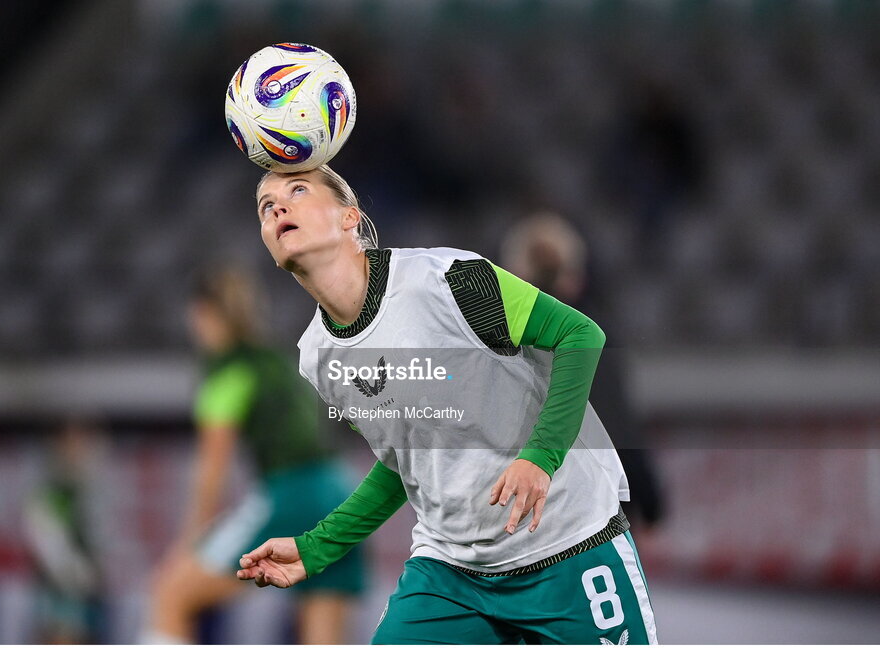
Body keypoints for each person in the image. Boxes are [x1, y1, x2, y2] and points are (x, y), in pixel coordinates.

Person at [236, 165, 658, 644]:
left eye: (296, 190)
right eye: (265, 206)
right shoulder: (316, 357)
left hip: (569, 546)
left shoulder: (448, 281)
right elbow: (406, 462)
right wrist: (316, 548)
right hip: (453, 574)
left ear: (350, 217)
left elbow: (581, 335)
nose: (277, 209)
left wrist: (540, 457)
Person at [142, 268, 364, 645]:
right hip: (340, 496)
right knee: (322, 635)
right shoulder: (277, 362)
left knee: (170, 594)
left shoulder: (228, 374)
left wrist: (189, 542)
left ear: (205, 315)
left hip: (290, 496)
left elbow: (212, 470)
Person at [501, 213, 665, 528]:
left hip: (518, 512)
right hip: (589, 516)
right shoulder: (591, 337)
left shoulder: (491, 340)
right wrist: (648, 498)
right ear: (574, 278)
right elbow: (615, 423)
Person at [23, 418, 106, 644]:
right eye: (76, 443)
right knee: (64, 637)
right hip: (63, 589)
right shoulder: (54, 491)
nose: (84, 450)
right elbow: (46, 539)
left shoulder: (83, 490)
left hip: (83, 590)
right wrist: (75, 573)